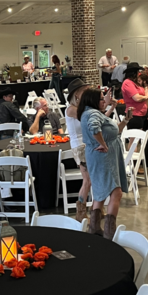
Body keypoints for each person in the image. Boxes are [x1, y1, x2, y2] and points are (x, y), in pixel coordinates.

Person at [78, 88, 128, 239]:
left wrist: (126, 120)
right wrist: (103, 144)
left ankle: (94, 227)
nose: (104, 101)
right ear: (92, 100)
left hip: (103, 156)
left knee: (100, 192)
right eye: (101, 99)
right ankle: (109, 232)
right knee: (116, 192)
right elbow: (94, 128)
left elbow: (112, 131)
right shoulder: (92, 113)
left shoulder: (91, 112)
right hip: (102, 157)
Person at [64, 79, 93, 222]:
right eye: (84, 91)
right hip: (80, 147)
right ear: (76, 95)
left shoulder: (84, 107)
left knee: (93, 179)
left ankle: (96, 207)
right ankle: (80, 211)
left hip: (88, 144)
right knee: (87, 180)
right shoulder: (71, 109)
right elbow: (88, 117)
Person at [121, 63, 148, 130]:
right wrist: (146, 96)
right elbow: (137, 98)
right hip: (134, 114)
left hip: (142, 113)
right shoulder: (127, 83)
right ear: (134, 73)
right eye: (138, 72)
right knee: (135, 138)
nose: (139, 74)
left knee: (142, 136)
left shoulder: (134, 83)